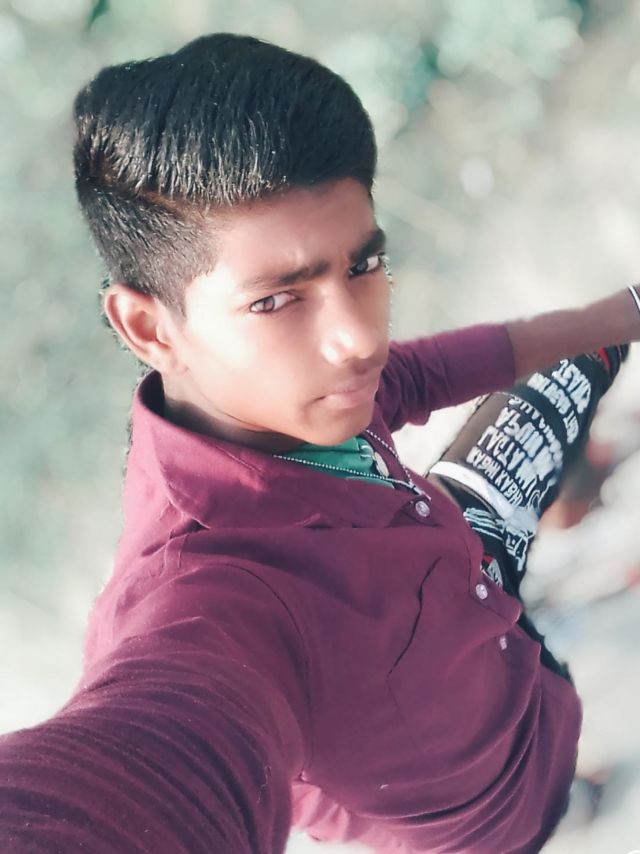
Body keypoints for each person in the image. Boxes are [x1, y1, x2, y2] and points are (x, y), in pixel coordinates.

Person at [0, 32, 638, 854]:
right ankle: (578, 803)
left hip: (481, 582)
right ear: (149, 328)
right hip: (493, 808)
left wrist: (619, 314)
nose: (358, 339)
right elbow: (140, 765)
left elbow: (415, 373)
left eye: (363, 266)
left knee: (579, 363)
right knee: (555, 811)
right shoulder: (208, 604)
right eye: (276, 300)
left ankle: (579, 502)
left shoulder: (298, 398)